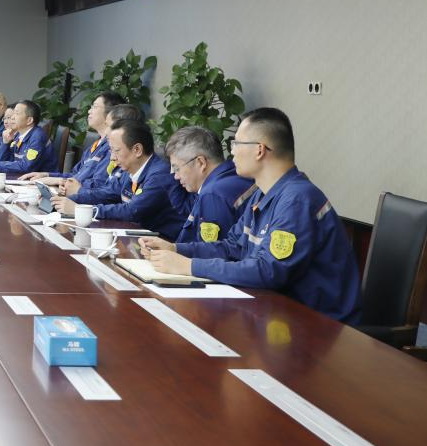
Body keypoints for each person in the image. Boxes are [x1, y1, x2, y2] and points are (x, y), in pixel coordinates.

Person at [140, 108, 360, 323]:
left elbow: (269, 271)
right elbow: (232, 247)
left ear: (259, 150)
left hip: (321, 326)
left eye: (236, 143)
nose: (232, 152)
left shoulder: (297, 200)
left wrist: (188, 266)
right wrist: (176, 249)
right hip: (276, 315)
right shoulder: (262, 193)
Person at [61, 119, 187, 240]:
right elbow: (107, 194)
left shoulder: (160, 175)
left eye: (116, 151)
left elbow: (131, 211)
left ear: (137, 150)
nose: (112, 158)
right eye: (111, 150)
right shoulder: (129, 168)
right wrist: (69, 199)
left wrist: (84, 211)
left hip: (162, 242)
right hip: (135, 237)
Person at [165, 126, 255, 244]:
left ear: (200, 162)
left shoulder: (213, 194)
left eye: (177, 168)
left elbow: (210, 251)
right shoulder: (233, 175)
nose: (176, 176)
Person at [23, 91, 125, 190]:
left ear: (111, 113)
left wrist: (60, 181)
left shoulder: (111, 147)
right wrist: (46, 175)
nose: (89, 111)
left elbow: (98, 184)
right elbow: (75, 175)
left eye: (95, 107)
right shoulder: (95, 145)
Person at [58, 102, 144, 198]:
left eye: (109, 126)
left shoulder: (134, 166)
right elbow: (77, 173)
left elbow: (109, 194)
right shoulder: (100, 146)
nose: (106, 131)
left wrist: (78, 191)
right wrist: (69, 186)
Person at [0, 100, 55, 176]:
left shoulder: (37, 137)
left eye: (17, 113)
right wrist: (5, 143)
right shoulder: (18, 135)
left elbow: (26, 167)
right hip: (21, 178)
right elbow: (2, 160)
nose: (12, 117)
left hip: (40, 180)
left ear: (29, 120)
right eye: (13, 113)